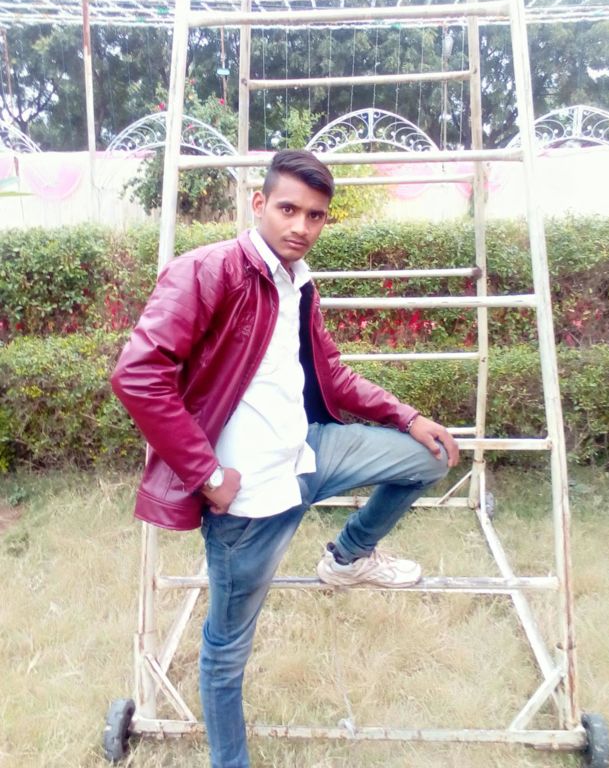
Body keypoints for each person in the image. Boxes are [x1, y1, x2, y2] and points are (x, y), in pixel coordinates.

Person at [111, 149, 459, 768]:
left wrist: (406, 416)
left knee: (425, 457)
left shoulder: (297, 283)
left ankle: (348, 557)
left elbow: (331, 374)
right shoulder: (208, 270)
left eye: (315, 215)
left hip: (308, 455)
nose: (301, 226)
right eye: (288, 209)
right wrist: (206, 475)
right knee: (227, 650)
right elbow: (138, 376)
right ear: (259, 204)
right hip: (247, 500)